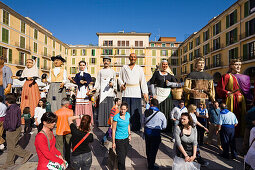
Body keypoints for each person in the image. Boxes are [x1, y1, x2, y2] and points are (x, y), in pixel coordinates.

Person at [217, 59, 253, 135]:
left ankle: (241, 133)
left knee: (241, 116)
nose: (238, 66)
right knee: (231, 116)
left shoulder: (246, 77)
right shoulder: (226, 76)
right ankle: (230, 133)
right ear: (231, 66)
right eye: (236, 64)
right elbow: (219, 88)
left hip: (242, 100)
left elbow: (248, 91)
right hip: (230, 100)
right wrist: (227, 92)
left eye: (239, 64)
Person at [118, 53, 148, 131]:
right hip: (126, 91)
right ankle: (125, 126)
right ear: (129, 58)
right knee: (125, 109)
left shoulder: (139, 68)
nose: (133, 58)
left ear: (136, 58)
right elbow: (119, 78)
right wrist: (121, 85)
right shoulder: (124, 67)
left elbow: (143, 81)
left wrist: (145, 92)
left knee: (135, 110)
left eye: (134, 57)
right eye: (131, 57)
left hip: (136, 92)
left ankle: (136, 127)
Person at [1, 94, 32, 169]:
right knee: (11, 146)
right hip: (13, 129)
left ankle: (25, 154)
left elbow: (13, 121)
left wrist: (10, 128)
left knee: (12, 146)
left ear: (7, 101)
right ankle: (9, 162)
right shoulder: (14, 107)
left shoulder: (12, 109)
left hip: (12, 130)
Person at [149, 59, 179, 128]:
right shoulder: (157, 73)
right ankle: (158, 125)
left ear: (167, 65)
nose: (164, 66)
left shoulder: (170, 74)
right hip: (158, 94)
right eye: (163, 64)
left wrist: (169, 83)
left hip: (167, 94)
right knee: (159, 110)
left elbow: (176, 84)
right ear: (161, 65)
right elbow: (152, 83)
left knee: (168, 110)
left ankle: (167, 127)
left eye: (166, 64)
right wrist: (153, 94)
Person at [144, 98, 167, 170]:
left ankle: (149, 163)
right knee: (153, 151)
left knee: (148, 149)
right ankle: (151, 166)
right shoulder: (161, 114)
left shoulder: (146, 112)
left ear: (151, 104)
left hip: (147, 133)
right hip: (156, 134)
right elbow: (164, 126)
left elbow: (142, 122)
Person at [94, 56, 117, 127]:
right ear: (103, 62)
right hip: (102, 93)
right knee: (102, 108)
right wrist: (95, 89)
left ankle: (109, 123)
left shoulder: (113, 71)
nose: (106, 62)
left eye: (107, 61)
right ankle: (101, 123)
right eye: (105, 61)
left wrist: (112, 85)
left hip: (110, 92)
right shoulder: (100, 71)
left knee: (109, 108)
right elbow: (97, 81)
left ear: (110, 62)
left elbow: (114, 81)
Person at [69, 61, 93, 126]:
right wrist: (71, 79)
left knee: (86, 106)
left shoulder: (88, 75)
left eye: (83, 65)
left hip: (85, 90)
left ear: (85, 66)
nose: (82, 66)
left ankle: (86, 122)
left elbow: (91, 82)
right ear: (79, 66)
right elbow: (75, 82)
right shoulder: (77, 75)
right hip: (79, 91)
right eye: (81, 65)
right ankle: (78, 122)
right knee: (79, 105)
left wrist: (85, 82)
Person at [112, 102, 131, 170]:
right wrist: (113, 142)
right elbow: (113, 130)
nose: (122, 111)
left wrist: (129, 134)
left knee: (123, 157)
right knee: (121, 159)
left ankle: (119, 167)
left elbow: (128, 125)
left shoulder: (128, 115)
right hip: (119, 139)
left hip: (126, 139)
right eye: (121, 109)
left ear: (127, 109)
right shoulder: (116, 117)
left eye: (124, 109)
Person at [55, 98, 73, 163]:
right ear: (66, 104)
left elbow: (55, 122)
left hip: (59, 131)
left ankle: (60, 161)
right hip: (68, 131)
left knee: (59, 147)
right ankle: (67, 161)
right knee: (68, 147)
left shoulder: (57, 112)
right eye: (68, 103)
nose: (69, 104)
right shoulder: (71, 112)